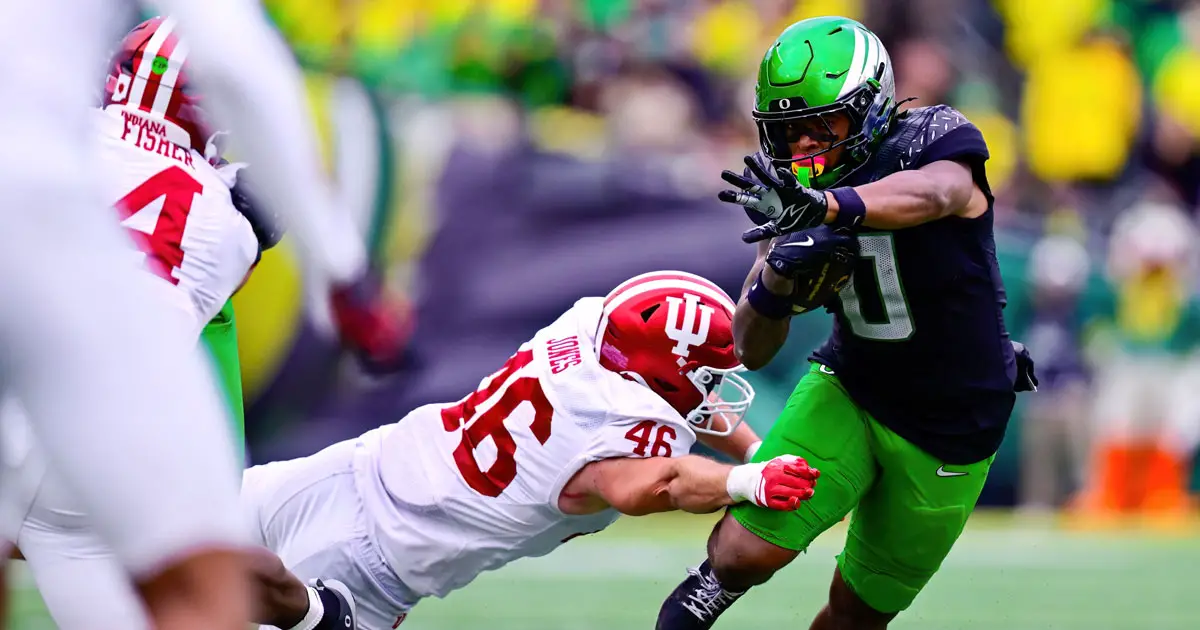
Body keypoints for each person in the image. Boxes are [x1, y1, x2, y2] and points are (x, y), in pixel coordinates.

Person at [0, 5, 407, 628]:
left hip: (26, 386)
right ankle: (320, 617)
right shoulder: (227, 219)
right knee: (197, 588)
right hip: (107, 431)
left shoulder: (55, 139)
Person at [655, 16, 1037, 630]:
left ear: (871, 107)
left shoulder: (932, 138)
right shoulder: (787, 191)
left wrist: (831, 207)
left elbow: (937, 195)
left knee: (855, 616)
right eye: (788, 133)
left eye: (819, 127)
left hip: (953, 420)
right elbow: (751, 346)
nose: (804, 149)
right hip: (851, 386)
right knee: (742, 553)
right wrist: (777, 280)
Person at [239, 271, 819, 630]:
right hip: (369, 569)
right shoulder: (621, 431)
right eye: (709, 377)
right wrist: (747, 482)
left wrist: (752, 448)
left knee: (167, 553)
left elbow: (683, 394)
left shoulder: (592, 325)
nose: (717, 389)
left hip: (350, 468)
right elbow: (659, 481)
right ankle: (314, 615)